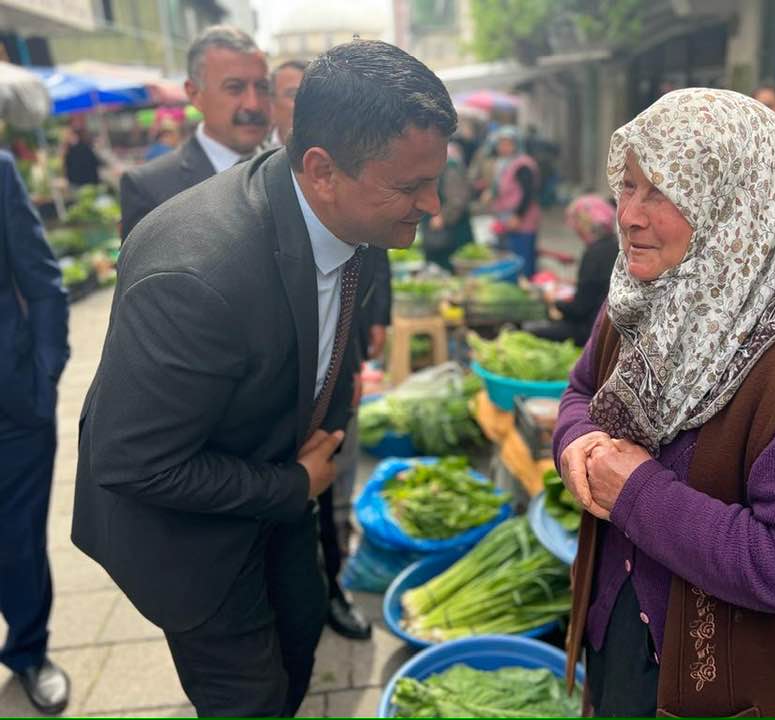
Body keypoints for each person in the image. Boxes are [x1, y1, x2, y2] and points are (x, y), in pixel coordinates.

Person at [71, 39, 454, 717]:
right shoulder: (199, 277)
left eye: (435, 180)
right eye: (411, 187)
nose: (434, 205)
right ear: (322, 169)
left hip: (273, 491)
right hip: (191, 540)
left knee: (301, 647)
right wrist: (292, 484)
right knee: (253, 699)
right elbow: (131, 464)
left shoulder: (349, 217)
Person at [554, 89, 775, 717]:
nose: (628, 214)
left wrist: (638, 493)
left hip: (730, 686)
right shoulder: (640, 299)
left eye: (663, 192)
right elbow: (580, 393)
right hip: (621, 627)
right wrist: (579, 442)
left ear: (738, 205)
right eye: (627, 185)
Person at [266, 54, 389, 641]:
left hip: (335, 373)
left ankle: (330, 587)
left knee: (331, 490)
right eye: (286, 94)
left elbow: (375, 246)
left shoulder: (357, 180)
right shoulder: (248, 190)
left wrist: (369, 336)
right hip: (262, 397)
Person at [0, 152, 71, 714]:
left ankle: (27, 652)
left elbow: (43, 280)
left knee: (18, 542)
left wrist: (45, 373)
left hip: (12, 407)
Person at [119, 25, 271, 241]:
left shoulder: (291, 169)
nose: (253, 104)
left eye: (262, 87)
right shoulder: (150, 187)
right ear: (194, 94)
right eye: (235, 88)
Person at [526, 194, 617, 346]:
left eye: (576, 225)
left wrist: (554, 301)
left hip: (591, 331)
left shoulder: (594, 254)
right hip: (607, 326)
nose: (576, 231)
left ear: (585, 225)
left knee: (531, 331)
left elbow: (579, 310)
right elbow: (597, 287)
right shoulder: (615, 246)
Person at [487, 126, 541, 278]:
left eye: (508, 143)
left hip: (522, 219)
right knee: (509, 256)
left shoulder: (523, 164)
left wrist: (518, 216)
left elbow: (528, 193)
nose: (503, 147)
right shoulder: (504, 163)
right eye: (501, 143)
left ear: (516, 144)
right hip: (507, 218)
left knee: (523, 258)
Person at [420, 141, 473, 270]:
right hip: (437, 226)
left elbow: (457, 200)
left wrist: (443, 217)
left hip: (451, 230)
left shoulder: (450, 168)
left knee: (451, 264)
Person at [269, 59, 308, 147]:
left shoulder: (335, 152)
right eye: (294, 94)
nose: (305, 103)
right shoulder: (253, 153)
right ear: (271, 103)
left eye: (312, 94)